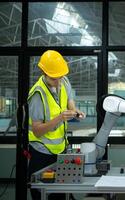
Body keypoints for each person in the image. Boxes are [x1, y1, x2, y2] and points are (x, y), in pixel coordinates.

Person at [28, 50, 85, 200]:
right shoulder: (37, 95)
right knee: (43, 194)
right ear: (44, 72)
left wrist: (75, 112)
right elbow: (37, 131)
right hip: (41, 154)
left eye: (60, 77)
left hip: (60, 151)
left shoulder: (64, 81)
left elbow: (70, 103)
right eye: (54, 78)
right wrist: (60, 118)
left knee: (63, 194)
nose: (58, 81)